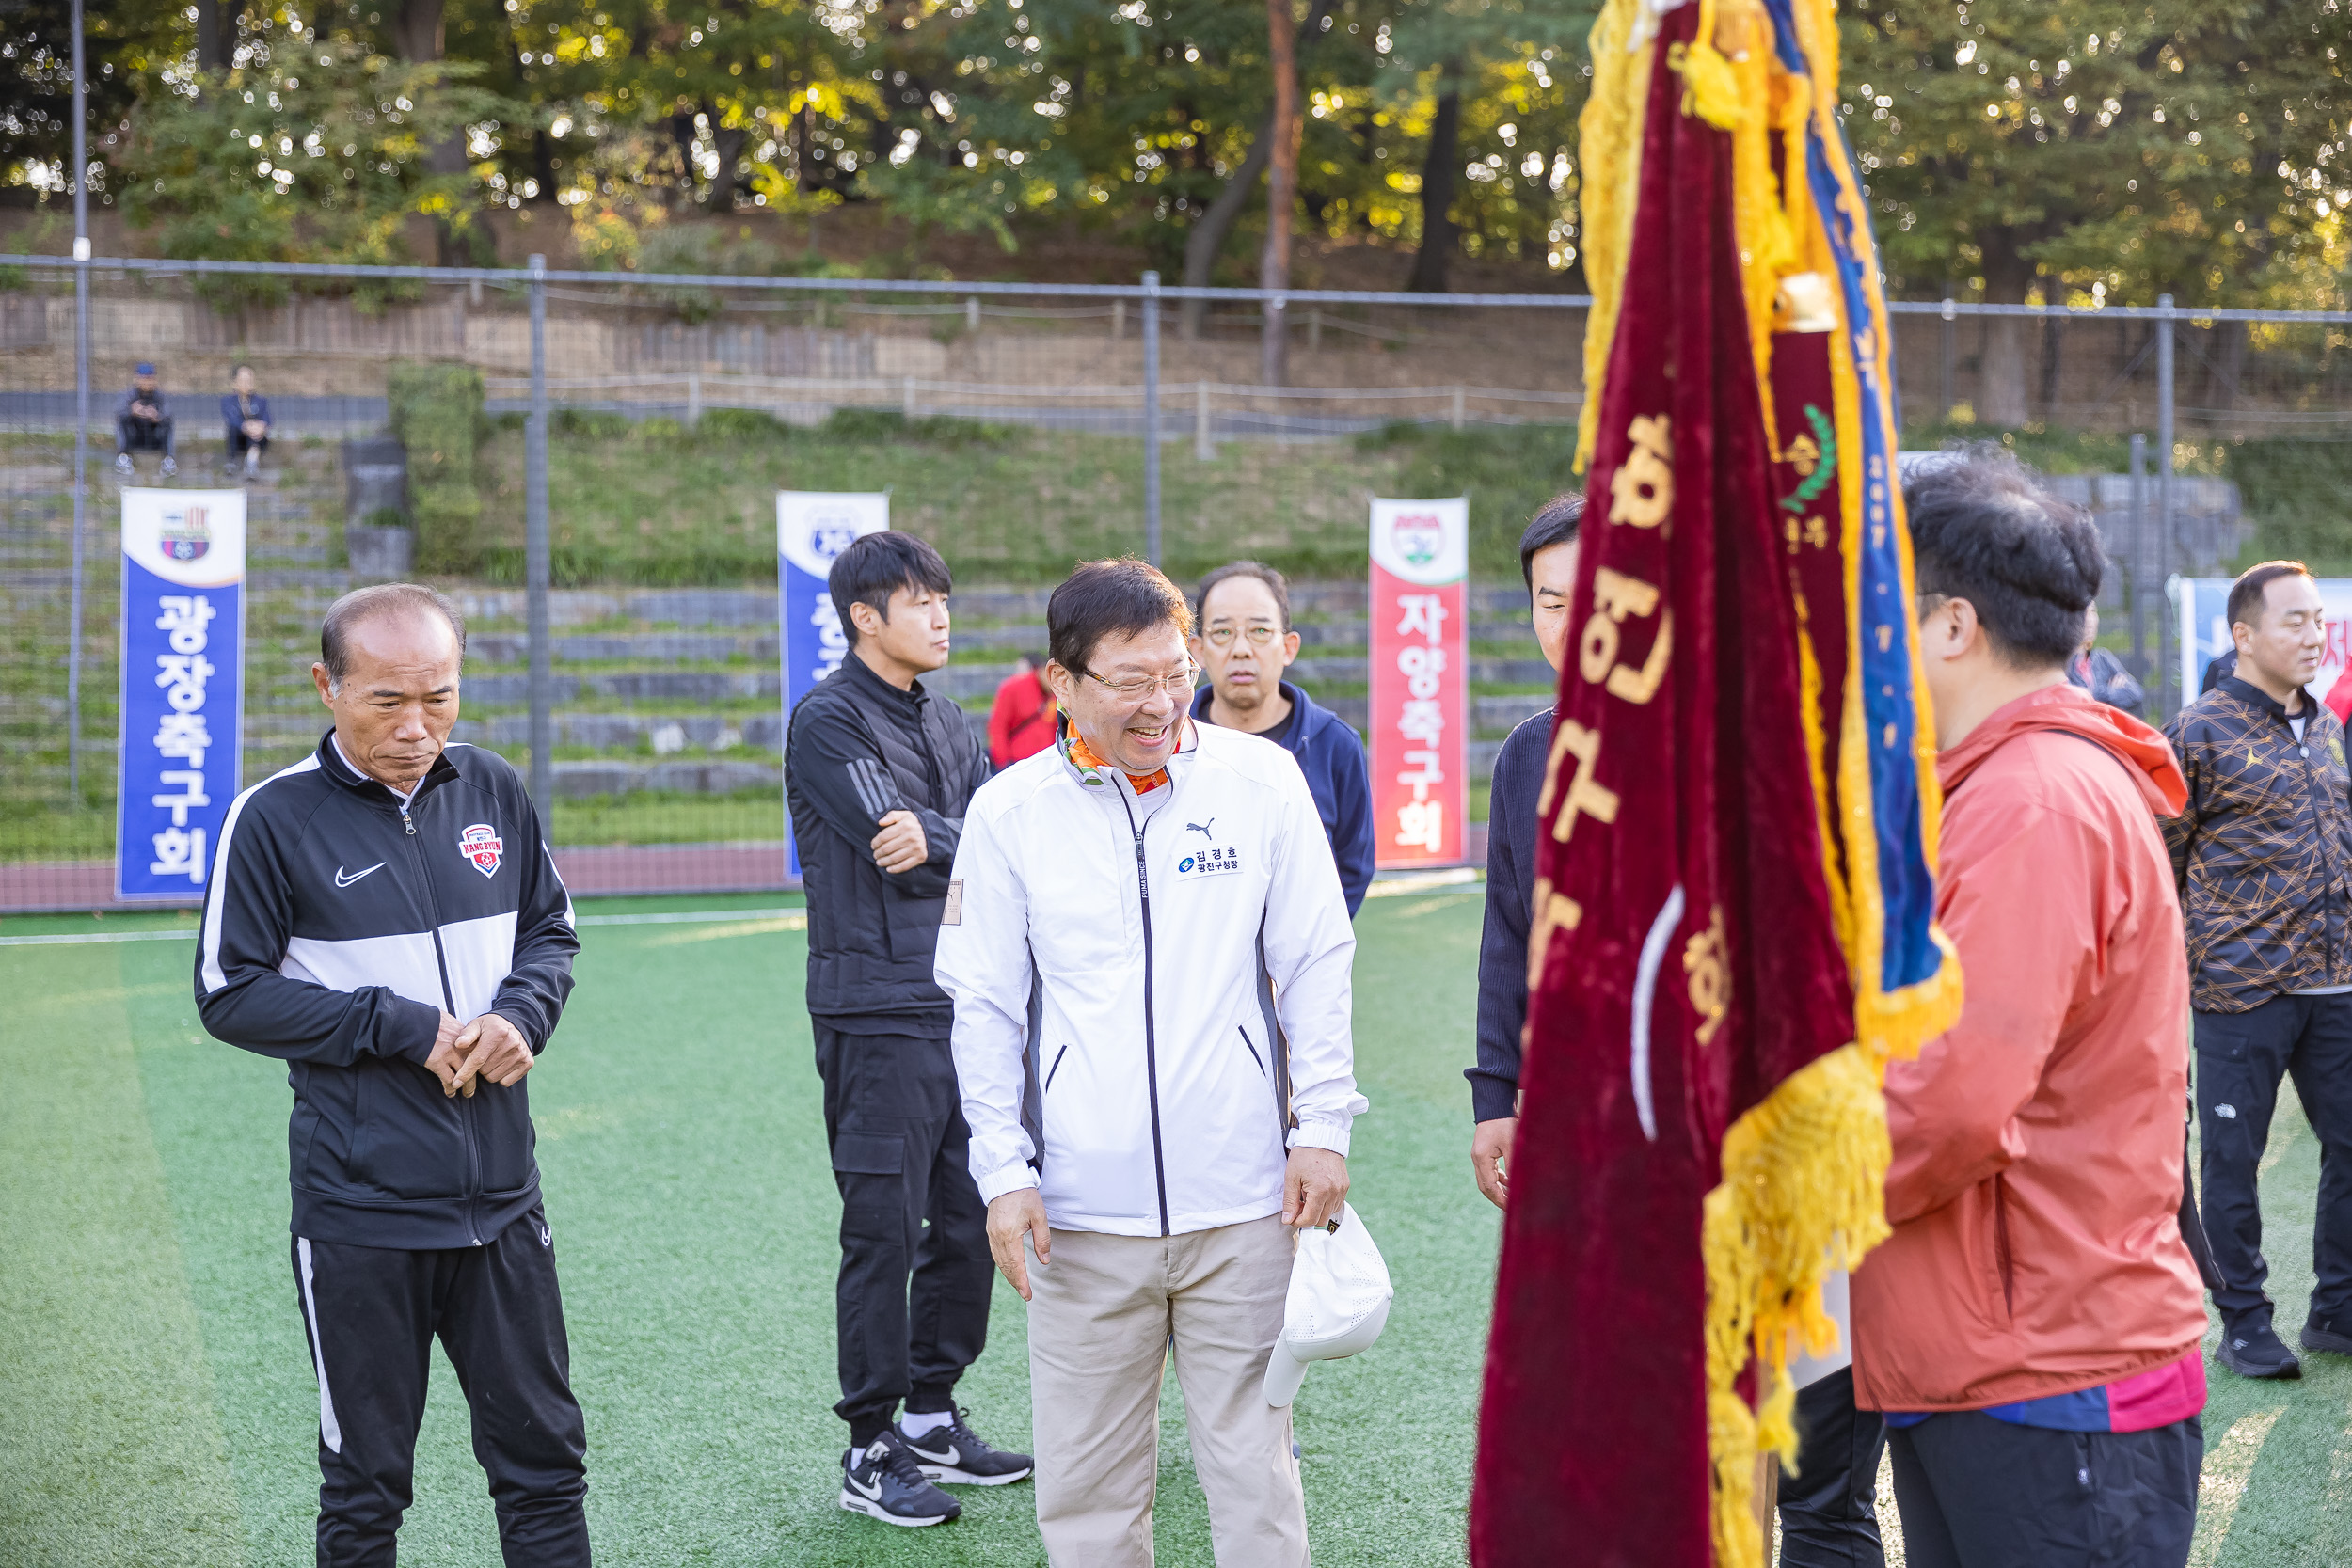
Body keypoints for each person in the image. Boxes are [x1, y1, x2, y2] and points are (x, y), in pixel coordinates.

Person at [936, 557, 1362, 1568]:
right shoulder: (1009, 813)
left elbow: (1315, 962)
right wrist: (1003, 1173)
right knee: (1087, 1497)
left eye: (1176, 671)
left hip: (1246, 1204)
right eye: (1129, 680)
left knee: (1257, 1478)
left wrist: (1323, 1128)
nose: (1161, 702)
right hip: (1080, 1221)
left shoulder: (1262, 781)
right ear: (1062, 683)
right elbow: (984, 1006)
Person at [1851, 449, 2207, 1568]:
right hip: (1998, 1350)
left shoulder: (2029, 802)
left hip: (2051, 1369)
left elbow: (1944, 1100)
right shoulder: (2001, 785)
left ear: (1949, 625)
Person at [194, 583, 591, 1567]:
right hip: (360, 1213)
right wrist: (396, 1024)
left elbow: (550, 928)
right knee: (365, 1484)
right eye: (387, 703)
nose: (418, 728)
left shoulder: (493, 786)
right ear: (327, 685)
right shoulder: (272, 818)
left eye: (440, 698)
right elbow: (227, 991)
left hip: (504, 1200)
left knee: (545, 1465)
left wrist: (519, 1014)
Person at [783, 529, 1030, 1528]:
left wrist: (942, 834)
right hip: (871, 1010)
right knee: (882, 1229)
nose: (939, 616)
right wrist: (948, 838)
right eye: (918, 600)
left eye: (944, 598)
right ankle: (869, 1440)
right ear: (863, 617)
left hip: (958, 1005)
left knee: (971, 1220)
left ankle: (931, 1412)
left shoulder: (952, 718)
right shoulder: (827, 720)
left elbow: (981, 847)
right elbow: (899, 850)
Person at [2165, 559, 2352, 1381]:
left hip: (2336, 984)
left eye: (2318, 620)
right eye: (2295, 622)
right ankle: (2244, 1321)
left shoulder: (2329, 726)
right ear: (2244, 635)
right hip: (2240, 992)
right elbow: (2160, 862)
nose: (2314, 635)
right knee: (2232, 1162)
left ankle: (2337, 1310)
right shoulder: (2197, 732)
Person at [1466, 493, 1581, 1203]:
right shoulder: (1526, 753)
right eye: (1553, 600)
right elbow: (1509, 935)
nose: (1572, 623)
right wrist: (1495, 1096)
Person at [1187, 560, 1376, 915]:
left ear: (1288, 647)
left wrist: (1306, 952)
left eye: (1259, 632)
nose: (1241, 650)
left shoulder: (1336, 745)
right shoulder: (1167, 744)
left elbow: (1352, 868)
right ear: (1198, 651)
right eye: (1222, 632)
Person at [2063, 605, 2144, 716]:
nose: (2089, 619)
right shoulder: (2060, 664)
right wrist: (2112, 692)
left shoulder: (2102, 658)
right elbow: (2074, 702)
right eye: (2083, 612)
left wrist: (2098, 695)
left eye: (2093, 611)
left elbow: (2135, 693)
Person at [988, 653, 1057, 768]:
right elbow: (998, 726)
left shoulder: (1056, 694)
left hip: (1047, 764)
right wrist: (1002, 762)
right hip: (1017, 764)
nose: (1055, 683)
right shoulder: (1013, 688)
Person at [116, 362, 177, 477]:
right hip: (135, 436)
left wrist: (156, 416)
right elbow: (119, 411)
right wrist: (133, 412)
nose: (147, 383)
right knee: (122, 419)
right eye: (144, 379)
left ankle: (169, 460)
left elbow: (168, 413)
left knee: (168, 423)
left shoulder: (160, 396)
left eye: (150, 379)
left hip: (154, 436)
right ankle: (123, 458)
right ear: (137, 379)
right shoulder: (130, 395)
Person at [223, 363, 274, 479]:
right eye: (243, 380)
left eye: (249, 380)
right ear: (235, 382)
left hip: (256, 439)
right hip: (238, 437)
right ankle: (231, 461)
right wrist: (245, 426)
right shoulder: (228, 401)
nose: (247, 383)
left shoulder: (260, 400)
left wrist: (261, 427)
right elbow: (231, 418)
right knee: (232, 429)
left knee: (256, 434)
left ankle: (252, 461)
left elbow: (267, 418)